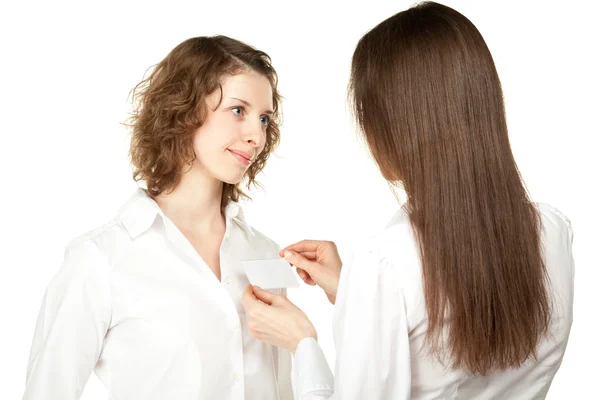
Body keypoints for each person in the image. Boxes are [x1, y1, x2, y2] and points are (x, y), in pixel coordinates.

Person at [241, 2, 574, 399]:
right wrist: (353, 293)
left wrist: (302, 343)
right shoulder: (553, 230)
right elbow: (453, 310)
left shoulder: (387, 263)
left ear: (395, 128)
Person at [23, 35, 292, 400]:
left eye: (264, 118)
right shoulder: (101, 259)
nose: (256, 135)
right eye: (238, 110)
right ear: (184, 109)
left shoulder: (265, 253)